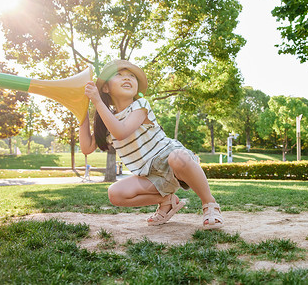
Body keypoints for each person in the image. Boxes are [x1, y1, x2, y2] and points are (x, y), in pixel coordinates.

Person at [79, 59, 223, 229]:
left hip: (173, 161)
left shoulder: (140, 105)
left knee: (177, 157)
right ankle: (167, 200)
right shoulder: (107, 120)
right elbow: (87, 148)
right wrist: (81, 110)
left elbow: (121, 131)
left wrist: (97, 102)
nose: (127, 78)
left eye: (131, 76)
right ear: (105, 88)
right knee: (115, 194)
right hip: (150, 175)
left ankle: (210, 204)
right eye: (119, 75)